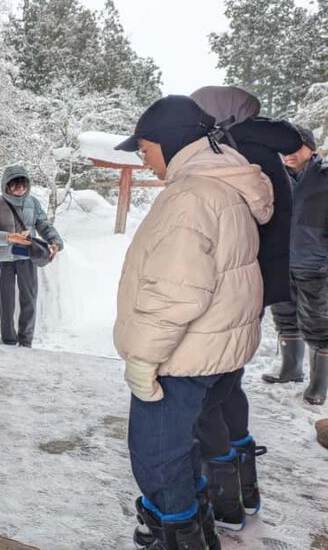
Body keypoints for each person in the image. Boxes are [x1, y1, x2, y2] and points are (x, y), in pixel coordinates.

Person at [113, 96, 273, 550]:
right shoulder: (222, 185)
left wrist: (144, 359)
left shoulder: (190, 198)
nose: (142, 157)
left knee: (159, 458)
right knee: (185, 449)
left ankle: (176, 537)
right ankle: (199, 532)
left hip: (182, 356)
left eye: (144, 147)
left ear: (169, 141)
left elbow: (175, 289)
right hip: (214, 350)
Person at [189, 86, 303, 531]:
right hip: (255, 286)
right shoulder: (263, 146)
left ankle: (224, 500)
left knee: (206, 393)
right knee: (229, 384)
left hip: (235, 286)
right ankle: (244, 488)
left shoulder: (240, 150)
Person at [267, 126, 328, 406]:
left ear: (311, 148)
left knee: (318, 321)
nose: (289, 154)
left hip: (316, 262)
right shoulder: (274, 176)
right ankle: (291, 369)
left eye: (296, 147)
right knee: (284, 313)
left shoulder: (324, 176)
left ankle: (319, 384)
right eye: (284, 149)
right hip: (281, 259)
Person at [0, 165, 63, 347]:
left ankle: (26, 340)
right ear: (6, 185)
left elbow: (44, 224)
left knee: (29, 299)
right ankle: (8, 339)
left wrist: (55, 241)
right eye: (15, 185)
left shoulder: (33, 202)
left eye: (23, 185)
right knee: (6, 302)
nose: (19, 189)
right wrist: (8, 237)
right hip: (3, 259)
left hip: (27, 258)